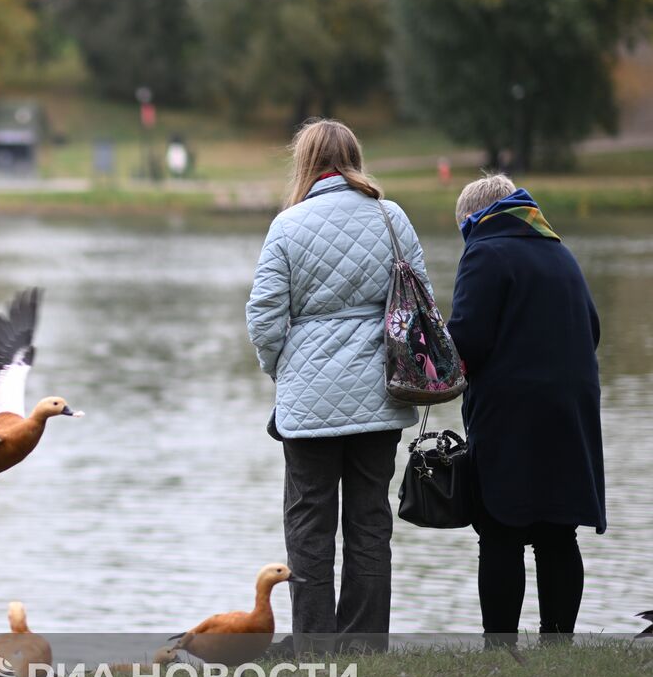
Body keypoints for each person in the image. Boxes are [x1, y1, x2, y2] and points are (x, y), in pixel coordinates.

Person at [246, 118, 433, 644]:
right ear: (354, 158)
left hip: (308, 404)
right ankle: (365, 642)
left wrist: (283, 368)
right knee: (370, 522)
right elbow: (421, 305)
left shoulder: (288, 225)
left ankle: (313, 642)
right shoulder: (392, 217)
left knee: (309, 524)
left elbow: (262, 318)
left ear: (305, 162)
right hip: (381, 392)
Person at [446, 175, 605, 639]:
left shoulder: (484, 250)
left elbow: (468, 342)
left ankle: (501, 648)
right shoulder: (559, 250)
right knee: (559, 531)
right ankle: (558, 642)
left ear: (474, 219)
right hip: (570, 410)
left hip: (511, 413)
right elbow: (592, 329)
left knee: (500, 532)